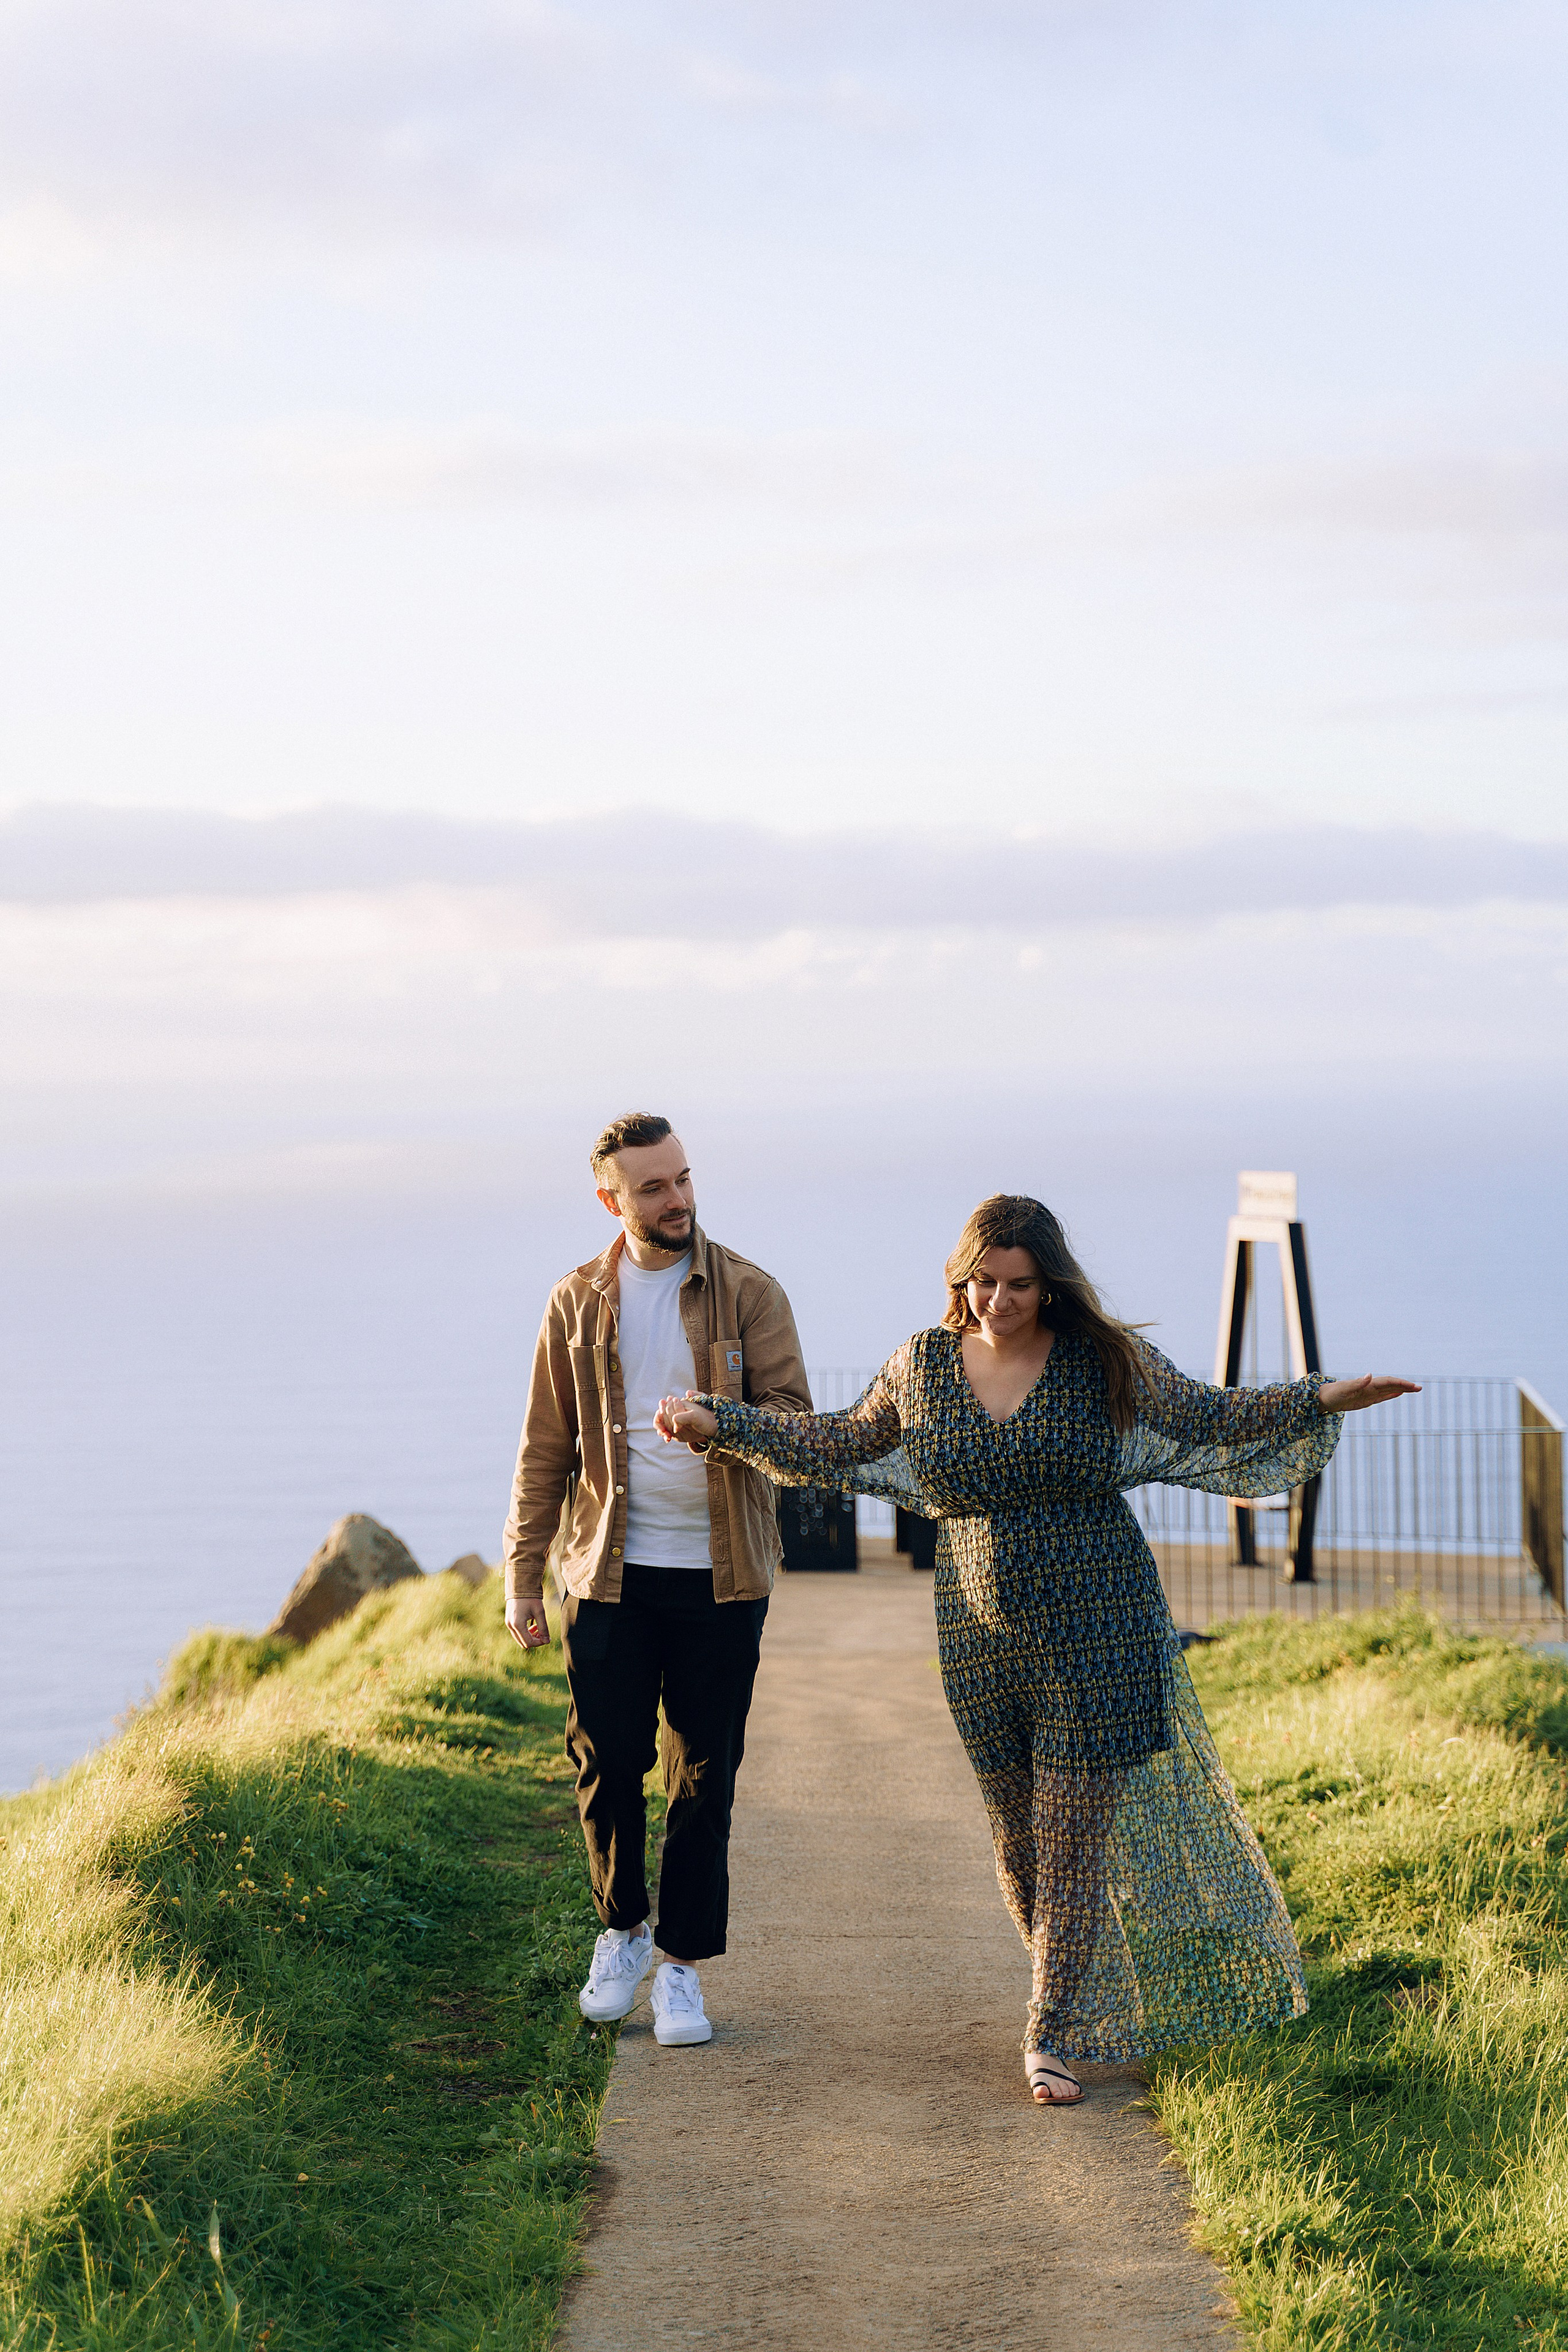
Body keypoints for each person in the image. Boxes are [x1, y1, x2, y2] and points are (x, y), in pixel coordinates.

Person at [657, 1193, 1417, 2103]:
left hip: (1103, 1629)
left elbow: (1208, 1416)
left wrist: (1325, 1395)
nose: (998, 1301)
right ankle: (1069, 1993)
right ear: (960, 1278)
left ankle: (1049, 2032)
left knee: (1070, 1844)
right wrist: (724, 1422)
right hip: (979, 1643)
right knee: (1020, 1846)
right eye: (982, 1281)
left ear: (1049, 1284)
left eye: (1018, 1284)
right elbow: (840, 1441)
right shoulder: (922, 1364)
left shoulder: (1101, 1359)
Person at [503, 1112, 812, 2048]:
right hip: (608, 1577)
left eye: (682, 1178)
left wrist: (725, 1424)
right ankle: (624, 1933)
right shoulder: (575, 1302)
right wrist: (522, 1576)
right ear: (613, 1200)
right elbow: (545, 1449)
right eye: (653, 1187)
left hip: (722, 1579)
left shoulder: (751, 1292)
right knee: (607, 1767)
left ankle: (680, 1968)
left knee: (703, 1779)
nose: (677, 1199)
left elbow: (797, 1424)